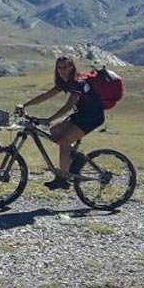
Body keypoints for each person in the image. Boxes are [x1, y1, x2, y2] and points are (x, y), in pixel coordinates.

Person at [17, 55, 104, 190]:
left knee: (64, 141)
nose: (62, 70)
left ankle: (62, 179)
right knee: (54, 130)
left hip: (93, 116)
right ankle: (76, 158)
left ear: (72, 67)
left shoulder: (78, 82)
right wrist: (25, 105)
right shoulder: (65, 82)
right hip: (82, 114)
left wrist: (49, 119)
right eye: (59, 67)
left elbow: (69, 106)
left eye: (65, 67)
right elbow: (46, 95)